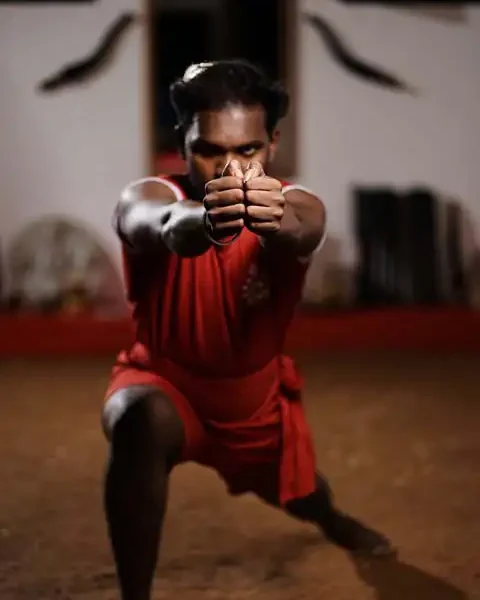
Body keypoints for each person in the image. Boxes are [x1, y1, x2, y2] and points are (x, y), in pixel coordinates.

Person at [102, 59, 394, 600]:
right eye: (210, 149)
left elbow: (303, 227)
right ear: (183, 140)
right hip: (167, 386)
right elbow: (160, 224)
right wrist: (202, 221)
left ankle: (332, 520)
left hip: (252, 407)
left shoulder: (296, 201)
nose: (229, 168)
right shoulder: (149, 194)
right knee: (137, 419)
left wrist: (273, 217)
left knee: (306, 495)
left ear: (272, 143)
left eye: (247, 150)